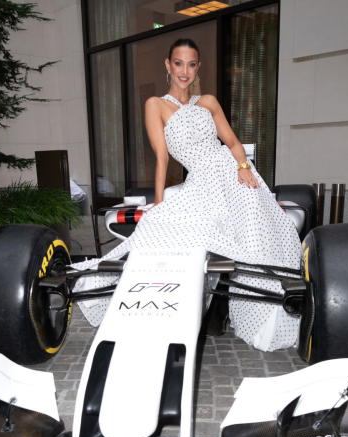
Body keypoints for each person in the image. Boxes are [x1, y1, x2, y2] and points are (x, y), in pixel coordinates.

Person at [73, 38, 301, 351]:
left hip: (231, 172)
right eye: (178, 63)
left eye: (191, 64)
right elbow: (162, 158)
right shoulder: (155, 104)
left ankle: (273, 299)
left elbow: (232, 143)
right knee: (163, 226)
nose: (185, 71)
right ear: (168, 66)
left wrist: (244, 166)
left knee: (256, 229)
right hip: (201, 181)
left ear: (197, 68)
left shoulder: (208, 102)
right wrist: (159, 200)